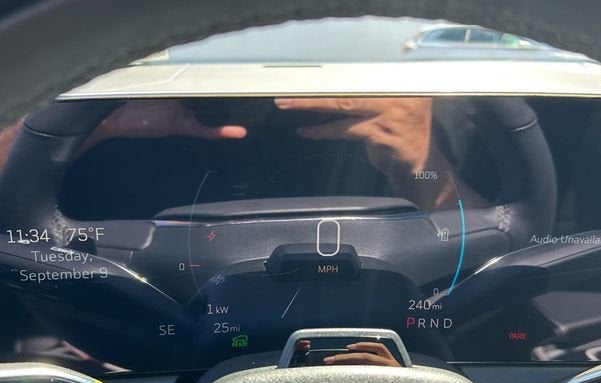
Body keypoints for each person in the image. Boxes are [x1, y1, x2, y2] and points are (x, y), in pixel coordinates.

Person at [0, 97, 482, 211]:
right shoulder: (105, 81)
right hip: (115, 351)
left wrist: (421, 165)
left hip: (374, 344)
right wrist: (93, 117)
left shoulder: (415, 98)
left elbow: (496, 255)